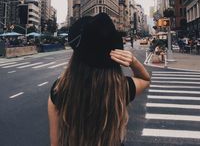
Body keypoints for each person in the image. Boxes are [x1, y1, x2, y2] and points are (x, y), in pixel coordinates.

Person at [48, 13, 150, 146]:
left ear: (76, 56)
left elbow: (55, 143)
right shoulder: (121, 88)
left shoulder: (59, 89)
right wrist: (133, 61)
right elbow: (145, 79)